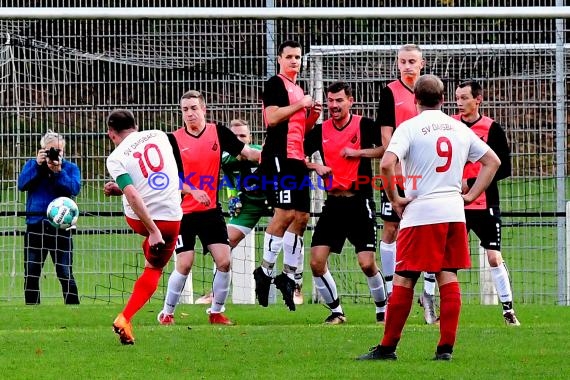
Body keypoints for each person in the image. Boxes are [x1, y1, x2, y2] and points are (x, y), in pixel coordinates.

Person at [357, 75, 500, 361]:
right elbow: (492, 162)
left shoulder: (409, 128)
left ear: (415, 99)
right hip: (453, 213)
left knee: (404, 278)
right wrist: (470, 197)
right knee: (448, 275)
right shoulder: (458, 128)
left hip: (421, 214)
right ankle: (445, 348)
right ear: (444, 99)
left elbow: (386, 163)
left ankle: (387, 347)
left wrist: (395, 197)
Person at [156, 90, 260, 326]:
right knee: (185, 263)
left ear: (204, 109)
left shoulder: (218, 132)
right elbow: (167, 179)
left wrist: (270, 156)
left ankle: (216, 312)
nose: (190, 113)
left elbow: (248, 153)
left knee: (224, 261)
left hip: (211, 211)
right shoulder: (173, 140)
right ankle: (167, 313)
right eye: (185, 110)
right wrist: (192, 190)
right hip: (182, 213)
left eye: (194, 108)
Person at [304, 81, 387, 324]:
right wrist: (315, 166)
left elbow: (386, 149)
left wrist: (358, 152)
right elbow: (297, 155)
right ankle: (337, 311)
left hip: (359, 202)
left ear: (350, 100)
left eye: (339, 100)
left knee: (366, 264)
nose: (334, 105)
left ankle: (383, 309)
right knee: (316, 262)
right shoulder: (320, 131)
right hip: (333, 205)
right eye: (330, 101)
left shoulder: (364, 125)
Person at [104, 109, 183, 345]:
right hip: (171, 220)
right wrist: (158, 230)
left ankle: (125, 321)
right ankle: (125, 317)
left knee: (129, 192)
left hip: (140, 221)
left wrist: (151, 231)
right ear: (136, 125)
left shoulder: (116, 157)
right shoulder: (159, 135)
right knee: (154, 270)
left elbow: (132, 193)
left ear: (111, 134)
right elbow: (159, 176)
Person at [254, 40, 322, 311]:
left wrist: (311, 116)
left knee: (302, 216)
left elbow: (298, 128)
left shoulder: (298, 88)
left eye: (298, 57)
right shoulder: (276, 84)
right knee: (284, 214)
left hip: (296, 157)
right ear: (280, 60)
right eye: (290, 57)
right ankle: (265, 271)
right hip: (279, 156)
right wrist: (300, 105)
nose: (295, 61)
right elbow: (271, 119)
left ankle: (289, 276)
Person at [376, 44, 438, 324]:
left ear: (422, 63)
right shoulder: (390, 93)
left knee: (428, 232)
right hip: (399, 174)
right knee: (391, 229)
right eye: (402, 62)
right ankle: (392, 293)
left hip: (427, 175)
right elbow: (387, 139)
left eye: (412, 61)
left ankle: (428, 296)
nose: (407, 66)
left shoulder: (430, 91)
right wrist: (401, 162)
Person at [454, 80, 520, 326]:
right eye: (457, 98)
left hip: (485, 204)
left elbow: (504, 168)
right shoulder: (450, 125)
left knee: (494, 257)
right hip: (455, 203)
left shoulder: (492, 128)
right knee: (447, 257)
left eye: (464, 98)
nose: (459, 103)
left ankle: (508, 310)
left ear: (477, 99)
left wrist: (471, 181)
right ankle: (431, 303)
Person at [194, 119, 279, 304]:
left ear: (250, 137)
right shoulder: (225, 155)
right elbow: (241, 158)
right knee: (224, 244)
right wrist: (233, 196)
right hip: (248, 205)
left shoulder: (257, 148)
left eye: (243, 136)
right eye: (235, 137)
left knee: (292, 234)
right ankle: (214, 293)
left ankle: (295, 287)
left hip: (274, 201)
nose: (239, 139)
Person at [18, 130, 81, 305]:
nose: (54, 154)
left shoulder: (70, 168)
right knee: (31, 272)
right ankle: (31, 309)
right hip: (36, 225)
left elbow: (73, 189)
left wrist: (58, 171)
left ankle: (74, 309)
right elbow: (22, 184)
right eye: (50, 151)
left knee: (65, 272)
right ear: (42, 150)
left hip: (61, 228)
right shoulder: (32, 165)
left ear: (64, 151)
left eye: (58, 151)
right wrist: (38, 166)